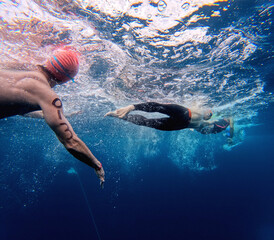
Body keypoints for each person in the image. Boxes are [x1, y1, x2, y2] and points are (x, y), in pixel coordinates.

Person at [0, 47, 105, 187]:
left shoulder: (19, 71)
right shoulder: (49, 96)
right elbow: (71, 142)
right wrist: (96, 165)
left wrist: (47, 115)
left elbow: (16, 107)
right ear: (66, 80)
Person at [105, 102, 234, 139]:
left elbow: (206, 126)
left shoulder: (208, 126)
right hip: (184, 114)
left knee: (147, 122)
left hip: (181, 124)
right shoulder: (204, 110)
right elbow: (208, 112)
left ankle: (121, 116)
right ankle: (131, 107)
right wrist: (132, 107)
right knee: (160, 108)